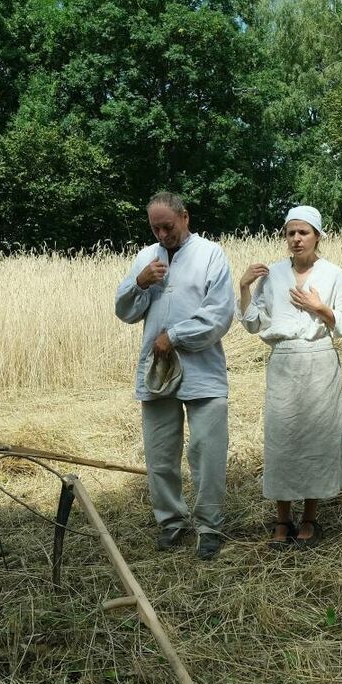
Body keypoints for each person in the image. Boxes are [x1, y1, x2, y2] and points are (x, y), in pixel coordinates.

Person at [115, 192, 235, 560]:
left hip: (202, 370)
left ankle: (209, 526)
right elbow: (125, 312)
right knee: (161, 454)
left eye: (168, 225)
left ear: (185, 217)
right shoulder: (146, 258)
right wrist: (140, 282)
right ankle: (171, 521)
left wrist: (176, 336)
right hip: (157, 371)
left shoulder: (210, 254)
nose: (163, 234)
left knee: (206, 451)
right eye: (156, 228)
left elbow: (220, 315)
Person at [237, 206, 342, 549]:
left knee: (316, 439)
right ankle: (282, 519)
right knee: (283, 439)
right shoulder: (273, 275)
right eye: (291, 233)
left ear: (318, 235)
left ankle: (309, 518)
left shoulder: (333, 274)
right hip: (284, 363)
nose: (296, 239)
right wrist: (245, 287)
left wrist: (321, 310)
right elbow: (253, 323)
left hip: (319, 361)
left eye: (303, 232)